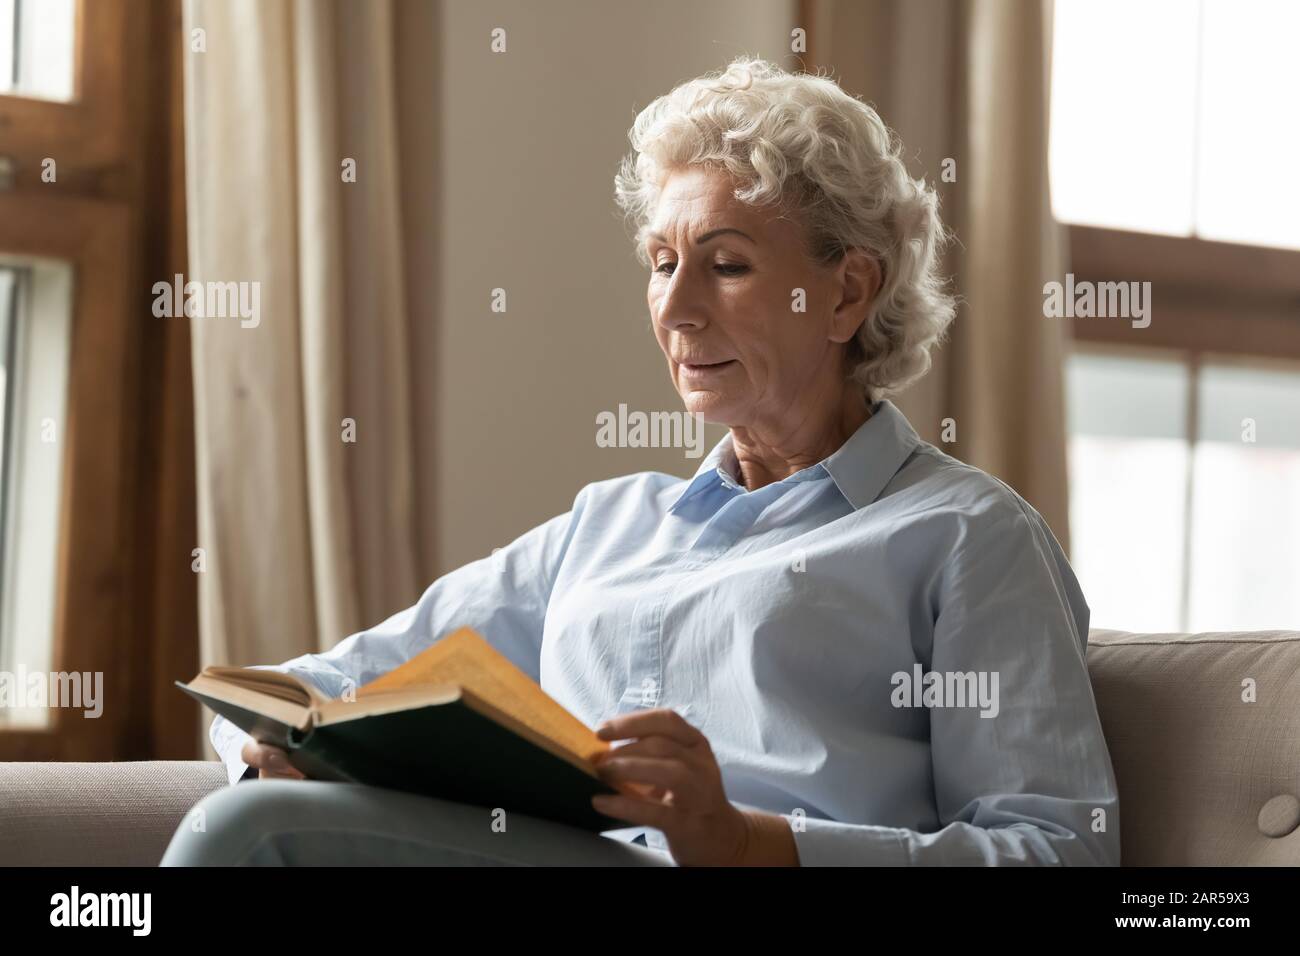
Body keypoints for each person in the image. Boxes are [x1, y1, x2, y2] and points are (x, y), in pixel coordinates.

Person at [162, 55, 1119, 867]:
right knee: (253, 806)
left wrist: (744, 842)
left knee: (248, 836)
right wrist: (267, 750)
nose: (676, 307)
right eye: (662, 262)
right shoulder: (609, 523)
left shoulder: (968, 537)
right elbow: (319, 687)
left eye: (727, 263)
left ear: (846, 293)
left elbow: (1059, 848)